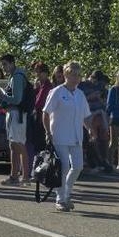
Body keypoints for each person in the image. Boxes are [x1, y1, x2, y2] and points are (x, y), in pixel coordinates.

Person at [43, 62, 91, 212]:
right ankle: (60, 199)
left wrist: (90, 130)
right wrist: (48, 132)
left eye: (78, 74)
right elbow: (45, 113)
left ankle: (66, 193)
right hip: (59, 135)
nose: (76, 78)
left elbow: (85, 116)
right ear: (66, 75)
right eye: (73, 74)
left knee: (77, 167)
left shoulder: (80, 94)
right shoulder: (57, 92)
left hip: (76, 136)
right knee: (63, 167)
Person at [0, 54, 31, 186]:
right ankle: (14, 176)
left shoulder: (17, 77)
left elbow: (17, 99)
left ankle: (25, 177)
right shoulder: (15, 76)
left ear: (12, 63)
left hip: (17, 114)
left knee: (19, 145)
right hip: (14, 114)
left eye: (5, 64)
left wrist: (2, 96)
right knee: (13, 145)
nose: (3, 67)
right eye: (2, 64)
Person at [78, 70, 111, 172]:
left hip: (100, 112)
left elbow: (106, 103)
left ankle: (104, 159)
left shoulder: (102, 87)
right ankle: (98, 161)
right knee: (93, 135)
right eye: (95, 81)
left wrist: (100, 99)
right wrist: (90, 97)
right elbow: (79, 100)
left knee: (104, 134)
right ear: (91, 78)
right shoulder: (82, 86)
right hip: (88, 112)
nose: (97, 84)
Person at [28, 62, 53, 163]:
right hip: (37, 118)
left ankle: (40, 167)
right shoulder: (40, 86)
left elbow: (38, 103)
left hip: (43, 119)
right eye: (36, 72)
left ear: (46, 73)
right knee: (37, 145)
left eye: (40, 72)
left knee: (40, 146)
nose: (37, 74)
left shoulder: (47, 86)